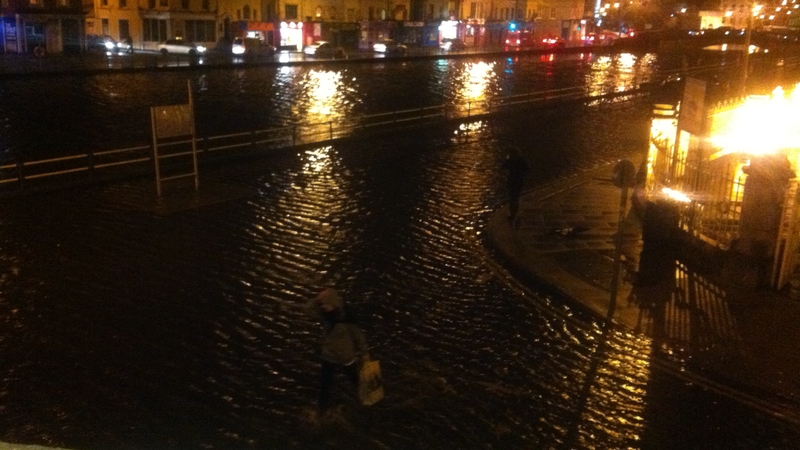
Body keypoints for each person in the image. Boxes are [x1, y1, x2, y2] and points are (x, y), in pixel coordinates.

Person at [307, 286, 369, 415]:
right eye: (322, 304)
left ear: (333, 303)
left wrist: (364, 354)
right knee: (325, 384)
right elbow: (307, 310)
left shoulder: (348, 319)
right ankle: (322, 409)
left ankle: (366, 396)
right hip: (329, 356)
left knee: (354, 378)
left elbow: (358, 337)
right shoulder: (326, 314)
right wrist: (317, 300)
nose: (323, 307)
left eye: (325, 304)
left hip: (345, 357)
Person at [502, 149, 529, 223]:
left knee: (511, 198)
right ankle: (515, 213)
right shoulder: (521, 160)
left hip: (512, 180)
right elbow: (526, 169)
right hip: (519, 180)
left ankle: (512, 214)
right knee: (516, 198)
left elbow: (503, 167)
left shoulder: (510, 160)